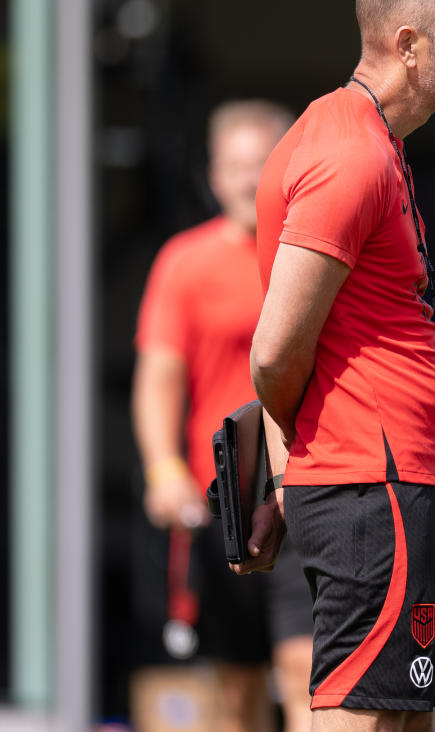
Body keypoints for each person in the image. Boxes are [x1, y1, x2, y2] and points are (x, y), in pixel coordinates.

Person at [239, 0, 435, 732]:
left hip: (378, 482)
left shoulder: (360, 138)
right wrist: (302, 460)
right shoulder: (348, 155)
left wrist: (292, 472)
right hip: (369, 484)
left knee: (405, 716)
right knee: (365, 719)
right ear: (409, 44)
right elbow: (276, 351)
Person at [132, 100, 315, 732]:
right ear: (213, 176)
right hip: (222, 495)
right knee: (236, 685)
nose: (245, 179)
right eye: (233, 166)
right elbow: (159, 376)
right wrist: (162, 471)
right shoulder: (184, 261)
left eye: (259, 164)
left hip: (306, 480)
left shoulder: (311, 257)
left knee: (303, 667)